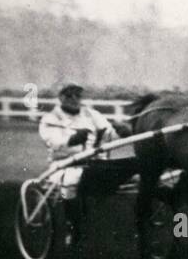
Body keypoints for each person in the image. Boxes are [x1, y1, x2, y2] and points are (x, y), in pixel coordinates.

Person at [38, 83, 134, 246]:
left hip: (93, 164)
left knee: (132, 164)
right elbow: (54, 142)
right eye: (69, 95)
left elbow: (108, 135)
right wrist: (73, 139)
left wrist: (120, 132)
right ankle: (72, 225)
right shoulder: (50, 119)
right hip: (63, 165)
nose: (74, 99)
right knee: (71, 180)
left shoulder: (91, 114)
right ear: (61, 97)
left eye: (77, 95)